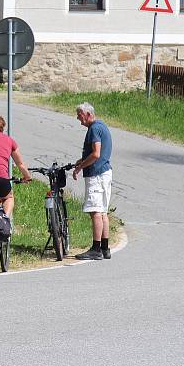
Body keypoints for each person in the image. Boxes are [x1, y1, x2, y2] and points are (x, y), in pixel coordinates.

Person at [72, 102, 113, 260]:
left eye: (80, 115)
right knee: (102, 211)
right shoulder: (101, 126)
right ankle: (105, 248)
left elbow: (96, 154)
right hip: (104, 172)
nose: (78, 118)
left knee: (96, 211)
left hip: (97, 174)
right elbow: (97, 153)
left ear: (88, 114)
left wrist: (80, 166)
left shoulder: (94, 128)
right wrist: (82, 159)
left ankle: (96, 249)